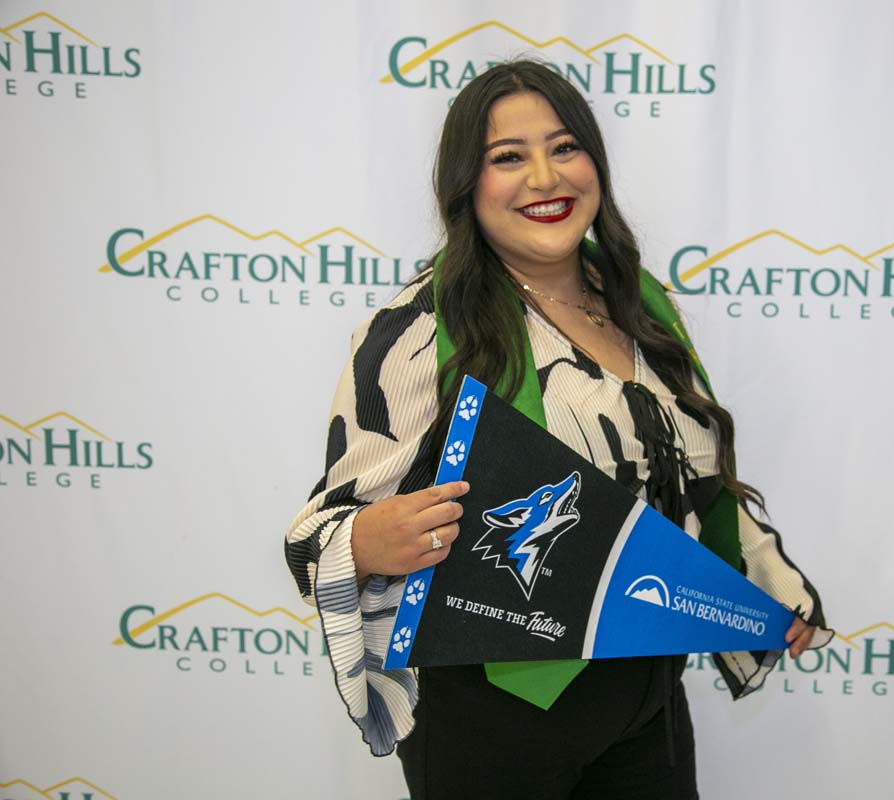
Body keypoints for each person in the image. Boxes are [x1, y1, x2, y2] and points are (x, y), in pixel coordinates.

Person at [285, 59, 832, 799]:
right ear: (464, 186)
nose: (545, 177)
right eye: (508, 157)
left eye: (565, 147)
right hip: (497, 711)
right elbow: (316, 537)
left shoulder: (637, 297)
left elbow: (691, 479)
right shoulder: (418, 328)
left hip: (647, 693)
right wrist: (369, 539)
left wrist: (770, 587)